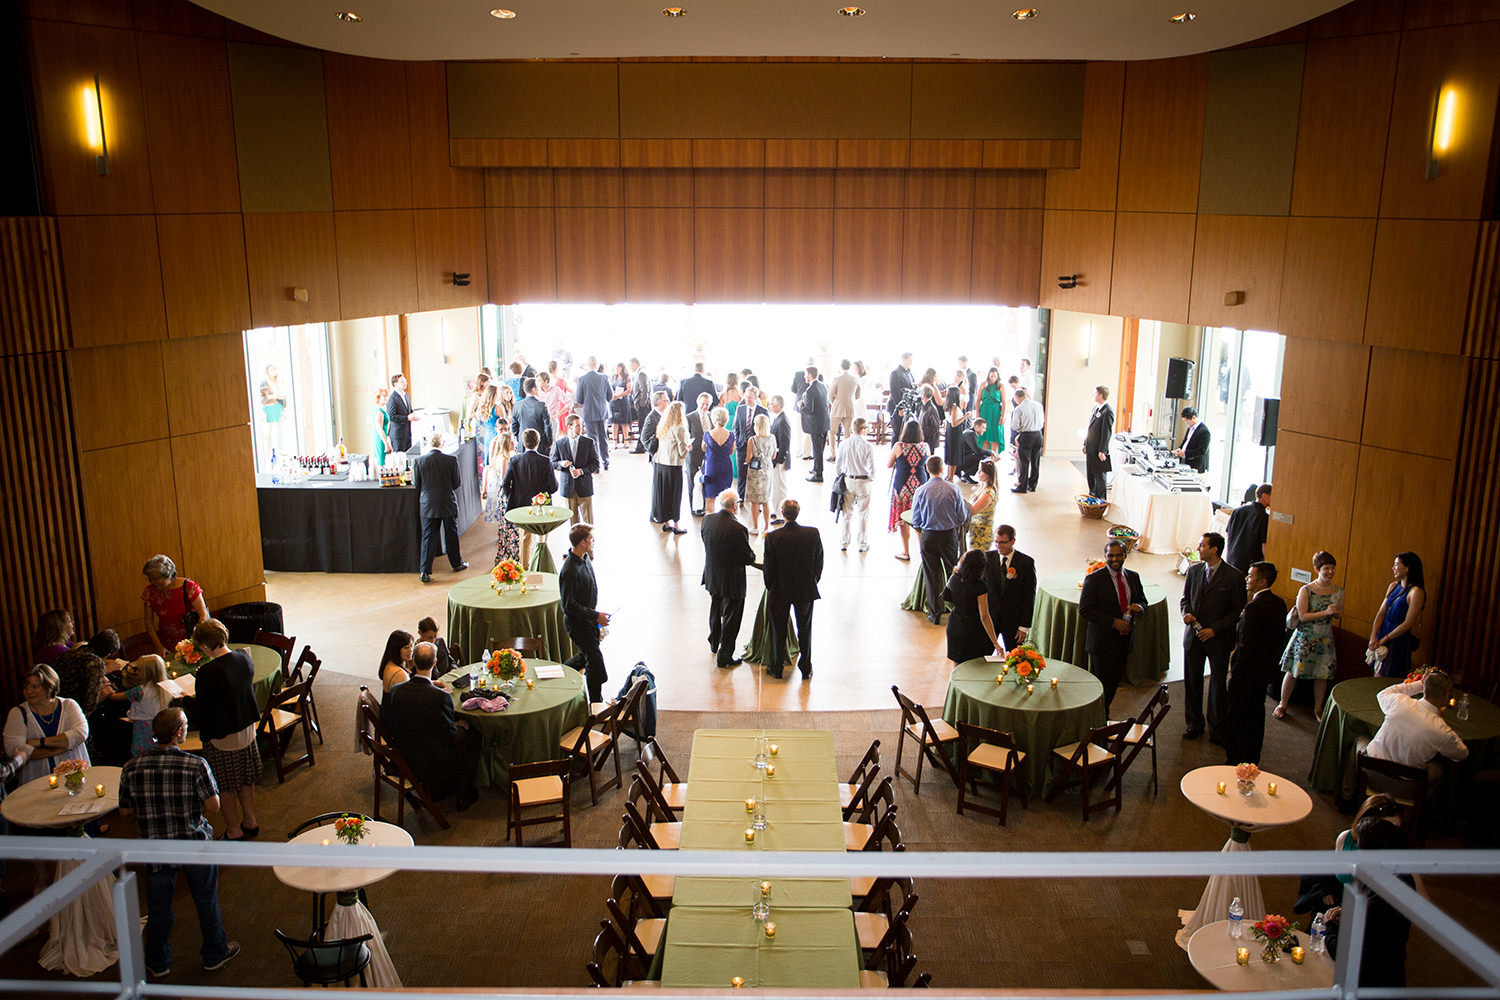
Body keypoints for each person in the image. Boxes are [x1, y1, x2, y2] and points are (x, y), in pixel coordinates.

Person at [119, 707, 240, 978]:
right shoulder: (195, 764)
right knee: (206, 900)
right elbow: (213, 807)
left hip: (153, 847)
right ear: (178, 732)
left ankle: (158, 961)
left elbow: (125, 812)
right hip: (192, 844)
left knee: (159, 907)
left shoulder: (132, 767)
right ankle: (214, 954)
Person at [386, 642, 479, 811]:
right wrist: (460, 726)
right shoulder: (439, 697)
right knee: (473, 735)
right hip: (431, 759)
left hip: (405, 754)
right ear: (435, 662)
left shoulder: (397, 690)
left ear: (413, 661)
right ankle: (464, 795)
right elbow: (450, 736)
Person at [191, 619, 261, 840]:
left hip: (223, 735)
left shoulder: (207, 672)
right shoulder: (244, 658)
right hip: (247, 731)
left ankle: (233, 829)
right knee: (245, 779)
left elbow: (203, 708)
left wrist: (184, 702)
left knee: (226, 784)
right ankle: (250, 820)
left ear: (204, 646)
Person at [1180, 532, 1245, 744]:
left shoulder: (1234, 577)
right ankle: (1194, 724)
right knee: (1192, 682)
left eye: (1202, 546)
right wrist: (1186, 613)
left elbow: (1236, 611)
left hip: (1218, 639)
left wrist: (1214, 630)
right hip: (1193, 638)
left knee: (1217, 685)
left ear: (1214, 549)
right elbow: (1185, 600)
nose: (1198, 549)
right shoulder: (1194, 570)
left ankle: (1217, 729)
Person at [1224, 561, 1288, 766]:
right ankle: (1253, 757)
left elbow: (1247, 645)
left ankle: (1235, 759)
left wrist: (1235, 672)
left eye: (1250, 576)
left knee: (1237, 718)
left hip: (1246, 675)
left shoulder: (1253, 607)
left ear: (1262, 581)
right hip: (1264, 672)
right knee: (1256, 717)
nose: (1246, 579)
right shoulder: (1279, 604)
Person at [1079, 540, 1147, 713]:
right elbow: (1085, 610)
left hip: (1123, 642)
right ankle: (1097, 723)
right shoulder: (1094, 579)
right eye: (1110, 555)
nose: (1114, 559)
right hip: (1102, 643)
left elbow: (1142, 600)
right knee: (1100, 687)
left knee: (1113, 684)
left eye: (1118, 555)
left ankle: (1104, 717)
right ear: (1105, 556)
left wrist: (1139, 607)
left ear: (1125, 555)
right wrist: (1114, 622)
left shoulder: (1133, 577)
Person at [1276, 550, 1343, 721]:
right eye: (1326, 568)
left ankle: (1318, 708)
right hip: (1305, 636)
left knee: (1322, 674)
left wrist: (1335, 614)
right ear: (1317, 569)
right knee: (1293, 671)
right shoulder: (1306, 590)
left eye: (1332, 568)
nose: (1330, 572)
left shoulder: (1338, 591)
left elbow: (1338, 613)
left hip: (1325, 638)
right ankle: (1282, 704)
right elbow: (1303, 616)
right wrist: (1325, 612)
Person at [1364, 668, 1467, 779]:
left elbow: (1382, 694)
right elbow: (1462, 754)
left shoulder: (1400, 702)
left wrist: (1419, 684)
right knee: (1439, 769)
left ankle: (1348, 792)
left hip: (1370, 772)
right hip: (1403, 785)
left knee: (1360, 740)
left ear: (1424, 689)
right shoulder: (1441, 730)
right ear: (1446, 695)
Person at [763, 499, 823, 680]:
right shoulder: (812, 534)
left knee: (778, 629)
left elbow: (769, 567)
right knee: (805, 629)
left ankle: (776, 667)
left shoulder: (773, 537)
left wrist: (770, 586)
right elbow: (818, 562)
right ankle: (806, 667)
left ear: (782, 513)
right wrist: (813, 580)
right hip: (805, 589)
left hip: (780, 590)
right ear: (798, 512)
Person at [701, 489, 757, 669]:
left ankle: (714, 641)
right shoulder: (738, 529)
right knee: (732, 618)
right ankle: (725, 656)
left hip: (713, 576)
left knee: (715, 608)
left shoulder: (707, 520)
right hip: (732, 581)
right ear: (734, 506)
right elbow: (747, 557)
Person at [5, 664, 89, 784]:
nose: (28, 692)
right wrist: (62, 747)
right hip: (36, 780)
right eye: (25, 687)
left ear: (49, 686)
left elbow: (80, 734)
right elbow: (15, 750)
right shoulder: (17, 713)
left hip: (75, 779)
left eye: (34, 686)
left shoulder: (69, 705)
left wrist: (40, 742)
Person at [911, 455, 969, 625]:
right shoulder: (954, 489)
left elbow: (916, 519)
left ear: (927, 469)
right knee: (954, 570)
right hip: (949, 535)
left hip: (929, 535)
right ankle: (957, 606)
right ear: (942, 469)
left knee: (932, 574)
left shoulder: (921, 491)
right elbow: (961, 516)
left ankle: (934, 613)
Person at [558, 523, 611, 702]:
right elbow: (569, 606)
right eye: (590, 539)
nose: (593, 542)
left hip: (588, 619)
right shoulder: (569, 570)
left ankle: (558, 675)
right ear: (582, 542)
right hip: (577, 624)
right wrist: (595, 616)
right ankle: (596, 703)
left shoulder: (585, 558)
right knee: (595, 662)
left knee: (584, 657)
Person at [414, 433, 467, 584]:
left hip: (428, 503)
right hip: (446, 501)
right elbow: (456, 483)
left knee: (428, 536)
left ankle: (425, 570)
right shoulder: (451, 460)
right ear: (442, 444)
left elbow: (417, 485)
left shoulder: (419, 461)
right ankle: (457, 563)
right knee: (451, 533)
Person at [501, 428, 557, 568]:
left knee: (524, 538)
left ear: (523, 443)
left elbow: (505, 484)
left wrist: (513, 497)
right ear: (538, 442)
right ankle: (540, 565)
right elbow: (554, 487)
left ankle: (524, 567)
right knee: (541, 537)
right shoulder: (545, 461)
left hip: (521, 505)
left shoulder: (515, 460)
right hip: (541, 506)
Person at [101, 653, 170, 758]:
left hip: (142, 726)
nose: (136, 672)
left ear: (146, 673)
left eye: (139, 670)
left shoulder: (140, 691)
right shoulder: (164, 687)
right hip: (160, 724)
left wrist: (107, 686)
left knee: (141, 752)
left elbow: (114, 697)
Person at [1369, 552, 1424, 678]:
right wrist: (1373, 637)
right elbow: (1381, 613)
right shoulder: (1393, 586)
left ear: (1407, 568)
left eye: (1396, 564)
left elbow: (1407, 623)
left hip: (1397, 640)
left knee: (1386, 678)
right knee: (1375, 674)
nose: (1393, 568)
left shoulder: (1416, 592)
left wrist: (1385, 639)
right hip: (1382, 634)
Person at [141, 555, 209, 658]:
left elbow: (203, 614)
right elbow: (148, 622)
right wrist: (158, 645)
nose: (154, 583)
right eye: (151, 579)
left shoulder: (188, 587)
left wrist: (196, 640)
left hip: (191, 636)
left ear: (168, 575)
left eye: (157, 579)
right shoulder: (150, 591)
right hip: (166, 640)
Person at [983, 524, 1037, 652]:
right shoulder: (986, 559)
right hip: (991, 620)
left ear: (1013, 541)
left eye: (1003, 542)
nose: (998, 546)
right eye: (996, 542)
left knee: (1015, 659)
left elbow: (1029, 596)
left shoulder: (1026, 563)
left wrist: (1024, 626)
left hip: (1013, 621)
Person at [942, 549, 1002, 664]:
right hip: (973, 630)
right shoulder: (979, 586)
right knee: (974, 665)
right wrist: (995, 642)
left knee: (958, 664)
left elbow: (946, 597)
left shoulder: (954, 578)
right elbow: (984, 616)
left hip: (955, 625)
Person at [887, 420, 929, 562]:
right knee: (919, 519)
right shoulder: (925, 447)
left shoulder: (899, 446)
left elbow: (889, 464)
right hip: (920, 486)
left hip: (902, 485)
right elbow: (928, 466)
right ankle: (922, 550)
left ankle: (906, 551)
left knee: (903, 520)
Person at [552, 414, 601, 527]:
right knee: (572, 524)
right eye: (578, 425)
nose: (582, 428)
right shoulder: (560, 444)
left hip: (584, 487)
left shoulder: (588, 442)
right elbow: (553, 462)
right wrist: (561, 463)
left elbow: (595, 464)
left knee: (588, 523)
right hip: (568, 488)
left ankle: (590, 544)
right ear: (569, 426)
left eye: (581, 425)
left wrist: (582, 471)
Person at [835, 417, 875, 552]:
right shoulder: (868, 446)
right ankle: (862, 544)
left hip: (848, 480)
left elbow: (838, 465)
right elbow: (872, 468)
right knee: (863, 513)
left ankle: (844, 542)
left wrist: (841, 474)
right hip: (863, 481)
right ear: (863, 429)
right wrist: (871, 478)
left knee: (847, 513)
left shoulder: (843, 444)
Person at [483, 431, 522, 567]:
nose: (514, 444)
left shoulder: (502, 458)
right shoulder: (504, 460)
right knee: (509, 527)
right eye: (511, 442)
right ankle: (509, 557)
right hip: (506, 497)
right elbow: (505, 481)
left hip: (504, 495)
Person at [651, 400, 691, 534]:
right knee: (675, 495)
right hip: (674, 465)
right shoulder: (679, 428)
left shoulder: (662, 426)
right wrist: (688, 448)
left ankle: (666, 522)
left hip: (661, 464)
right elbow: (682, 451)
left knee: (664, 494)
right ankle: (676, 524)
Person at [575, 356, 613, 471]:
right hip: (602, 412)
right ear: (596, 365)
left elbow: (579, 399)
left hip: (589, 412)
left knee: (592, 439)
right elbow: (610, 396)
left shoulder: (582, 379)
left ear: (587, 365)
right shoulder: (604, 377)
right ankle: (606, 462)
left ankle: (596, 465)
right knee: (603, 437)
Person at [732, 384, 768, 498]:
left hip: (756, 449)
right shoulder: (740, 408)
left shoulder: (762, 411)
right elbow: (736, 427)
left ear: (756, 398)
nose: (747, 399)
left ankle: (756, 499)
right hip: (742, 446)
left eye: (750, 397)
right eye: (746, 396)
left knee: (757, 474)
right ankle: (740, 498)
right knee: (741, 475)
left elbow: (765, 430)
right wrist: (738, 442)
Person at [1225, 484, 1272, 571]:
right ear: (1264, 496)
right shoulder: (1264, 517)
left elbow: (1228, 533)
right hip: (1249, 563)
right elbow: (1264, 544)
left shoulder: (1238, 510)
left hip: (1231, 558)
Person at [745, 413, 777, 534]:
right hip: (768, 470)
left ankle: (755, 527)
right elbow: (773, 455)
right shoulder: (772, 438)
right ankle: (767, 527)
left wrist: (748, 460)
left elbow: (749, 458)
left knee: (755, 501)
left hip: (756, 471)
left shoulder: (752, 440)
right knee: (766, 500)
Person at [798, 366, 831, 483]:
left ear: (810, 375)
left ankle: (818, 474)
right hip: (824, 422)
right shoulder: (823, 385)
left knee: (817, 450)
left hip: (816, 424)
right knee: (819, 449)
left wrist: (800, 405)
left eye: (805, 374)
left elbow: (808, 409)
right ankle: (816, 468)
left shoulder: (810, 390)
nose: (804, 377)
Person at [376, 629, 414, 727]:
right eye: (406, 647)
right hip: (395, 724)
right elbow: (410, 705)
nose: (411, 650)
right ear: (396, 649)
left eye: (411, 646)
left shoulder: (389, 664)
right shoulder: (399, 674)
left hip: (387, 716)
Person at [701, 407, 735, 514]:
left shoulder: (707, 434)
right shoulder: (731, 435)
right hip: (725, 466)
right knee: (725, 497)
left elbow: (703, 448)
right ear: (726, 419)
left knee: (710, 498)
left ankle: (710, 522)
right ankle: (724, 522)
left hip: (712, 467)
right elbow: (731, 451)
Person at [1010, 388, 1045, 493]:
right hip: (1038, 434)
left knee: (1024, 461)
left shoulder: (1019, 408)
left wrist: (1020, 431)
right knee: (1035, 460)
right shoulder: (1038, 405)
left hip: (1026, 435)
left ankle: (1023, 485)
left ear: (1017, 398)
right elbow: (1042, 421)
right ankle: (1033, 485)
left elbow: (1015, 426)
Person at [1083, 385, 1114, 499]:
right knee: (1090, 473)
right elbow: (1090, 429)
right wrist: (1085, 443)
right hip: (1091, 447)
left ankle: (1100, 498)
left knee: (1099, 475)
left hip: (1098, 449)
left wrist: (1102, 450)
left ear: (1101, 395)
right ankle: (1092, 494)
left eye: (1095, 393)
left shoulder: (1107, 411)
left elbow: (1106, 433)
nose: (1093, 396)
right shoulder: (1096, 409)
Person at [686, 392, 714, 516]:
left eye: (707, 404)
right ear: (698, 403)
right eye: (703, 404)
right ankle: (694, 507)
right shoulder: (689, 417)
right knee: (693, 480)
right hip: (694, 453)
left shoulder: (712, 416)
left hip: (708, 454)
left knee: (707, 480)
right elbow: (686, 435)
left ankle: (704, 505)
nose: (705, 407)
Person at [513, 377, 554, 455]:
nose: (539, 389)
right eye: (538, 387)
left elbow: (514, 427)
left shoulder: (517, 406)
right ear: (533, 389)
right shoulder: (542, 405)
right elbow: (548, 426)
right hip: (540, 444)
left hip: (523, 443)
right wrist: (549, 442)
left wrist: (519, 440)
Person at [767, 395, 792, 523]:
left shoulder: (783, 420)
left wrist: (779, 460)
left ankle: (781, 515)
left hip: (780, 460)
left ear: (778, 405)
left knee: (780, 487)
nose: (769, 406)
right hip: (775, 459)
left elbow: (785, 442)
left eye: (771, 404)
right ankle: (776, 510)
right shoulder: (777, 418)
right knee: (775, 487)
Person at [828, 359, 861, 456]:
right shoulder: (855, 379)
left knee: (832, 432)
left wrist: (835, 402)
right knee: (847, 432)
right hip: (850, 408)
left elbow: (830, 394)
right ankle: (846, 454)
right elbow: (858, 394)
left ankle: (833, 454)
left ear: (841, 366)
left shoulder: (837, 378)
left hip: (837, 408)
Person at [967, 460, 999, 551]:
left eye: (981, 471)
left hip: (982, 534)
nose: (978, 473)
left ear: (988, 474)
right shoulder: (982, 488)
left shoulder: (988, 493)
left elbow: (973, 511)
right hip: (976, 530)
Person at [258, 363, 287, 455]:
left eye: (275, 369)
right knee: (268, 432)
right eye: (271, 369)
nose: (274, 371)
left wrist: (274, 396)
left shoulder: (279, 381)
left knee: (280, 430)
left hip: (279, 407)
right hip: (269, 408)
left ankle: (281, 451)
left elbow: (283, 395)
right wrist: (274, 396)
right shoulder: (265, 382)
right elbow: (265, 397)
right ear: (267, 372)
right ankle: (268, 452)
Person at [386, 373, 418, 454]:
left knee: (408, 456)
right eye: (402, 381)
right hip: (398, 435)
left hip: (407, 433)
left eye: (405, 381)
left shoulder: (406, 395)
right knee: (399, 459)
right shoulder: (392, 398)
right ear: (395, 384)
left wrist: (414, 415)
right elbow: (392, 416)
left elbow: (409, 411)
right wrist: (407, 418)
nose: (405, 383)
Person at [1174, 406, 1210, 473]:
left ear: (1193, 417)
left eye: (1187, 420)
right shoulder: (1190, 428)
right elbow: (1186, 441)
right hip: (1186, 461)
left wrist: (1185, 453)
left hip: (1196, 465)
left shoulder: (1204, 431)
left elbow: (1202, 450)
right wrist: (1180, 449)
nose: (1186, 422)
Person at [978, 367, 1005, 453]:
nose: (993, 378)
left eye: (995, 376)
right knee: (984, 435)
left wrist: (1002, 416)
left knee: (995, 435)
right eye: (991, 376)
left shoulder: (1000, 386)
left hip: (995, 411)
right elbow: (978, 400)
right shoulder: (983, 385)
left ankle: (994, 458)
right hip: (984, 410)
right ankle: (985, 458)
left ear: (998, 376)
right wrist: (977, 414)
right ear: (988, 375)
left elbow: (1004, 402)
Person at [943, 395, 968, 480]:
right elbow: (954, 424)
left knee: (951, 452)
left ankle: (949, 475)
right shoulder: (954, 407)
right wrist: (965, 416)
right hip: (955, 431)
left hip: (950, 430)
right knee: (954, 453)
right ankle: (951, 476)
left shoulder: (947, 405)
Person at [628, 358, 650, 452]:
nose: (629, 367)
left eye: (630, 365)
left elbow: (644, 389)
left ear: (635, 364)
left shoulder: (641, 374)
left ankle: (641, 447)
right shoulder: (638, 373)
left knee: (642, 426)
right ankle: (641, 446)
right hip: (639, 405)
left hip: (643, 406)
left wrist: (642, 404)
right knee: (642, 426)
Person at [888, 352, 917, 426]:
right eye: (909, 360)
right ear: (903, 359)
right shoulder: (895, 373)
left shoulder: (909, 373)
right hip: (898, 407)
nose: (911, 362)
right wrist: (900, 408)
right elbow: (895, 392)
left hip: (908, 407)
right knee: (898, 432)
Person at [609, 362, 632, 446]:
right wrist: (613, 395)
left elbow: (629, 390)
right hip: (614, 401)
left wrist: (619, 395)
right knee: (614, 422)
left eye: (618, 368)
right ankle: (614, 441)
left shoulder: (627, 378)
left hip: (623, 401)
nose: (617, 369)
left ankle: (625, 441)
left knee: (624, 422)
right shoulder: (612, 377)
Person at [640, 391, 668, 460]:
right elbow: (644, 438)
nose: (668, 402)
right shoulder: (651, 417)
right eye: (665, 400)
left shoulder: (665, 414)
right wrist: (653, 451)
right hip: (657, 455)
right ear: (659, 403)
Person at [918, 384, 942, 455]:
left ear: (923, 394)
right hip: (924, 439)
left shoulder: (931, 409)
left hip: (929, 442)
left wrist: (921, 429)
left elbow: (935, 428)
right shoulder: (924, 406)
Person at [371, 386, 392, 468]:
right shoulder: (378, 411)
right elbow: (379, 428)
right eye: (384, 396)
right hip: (380, 438)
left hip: (383, 436)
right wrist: (386, 443)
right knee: (381, 462)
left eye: (387, 396)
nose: (386, 398)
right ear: (378, 397)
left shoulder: (380, 409)